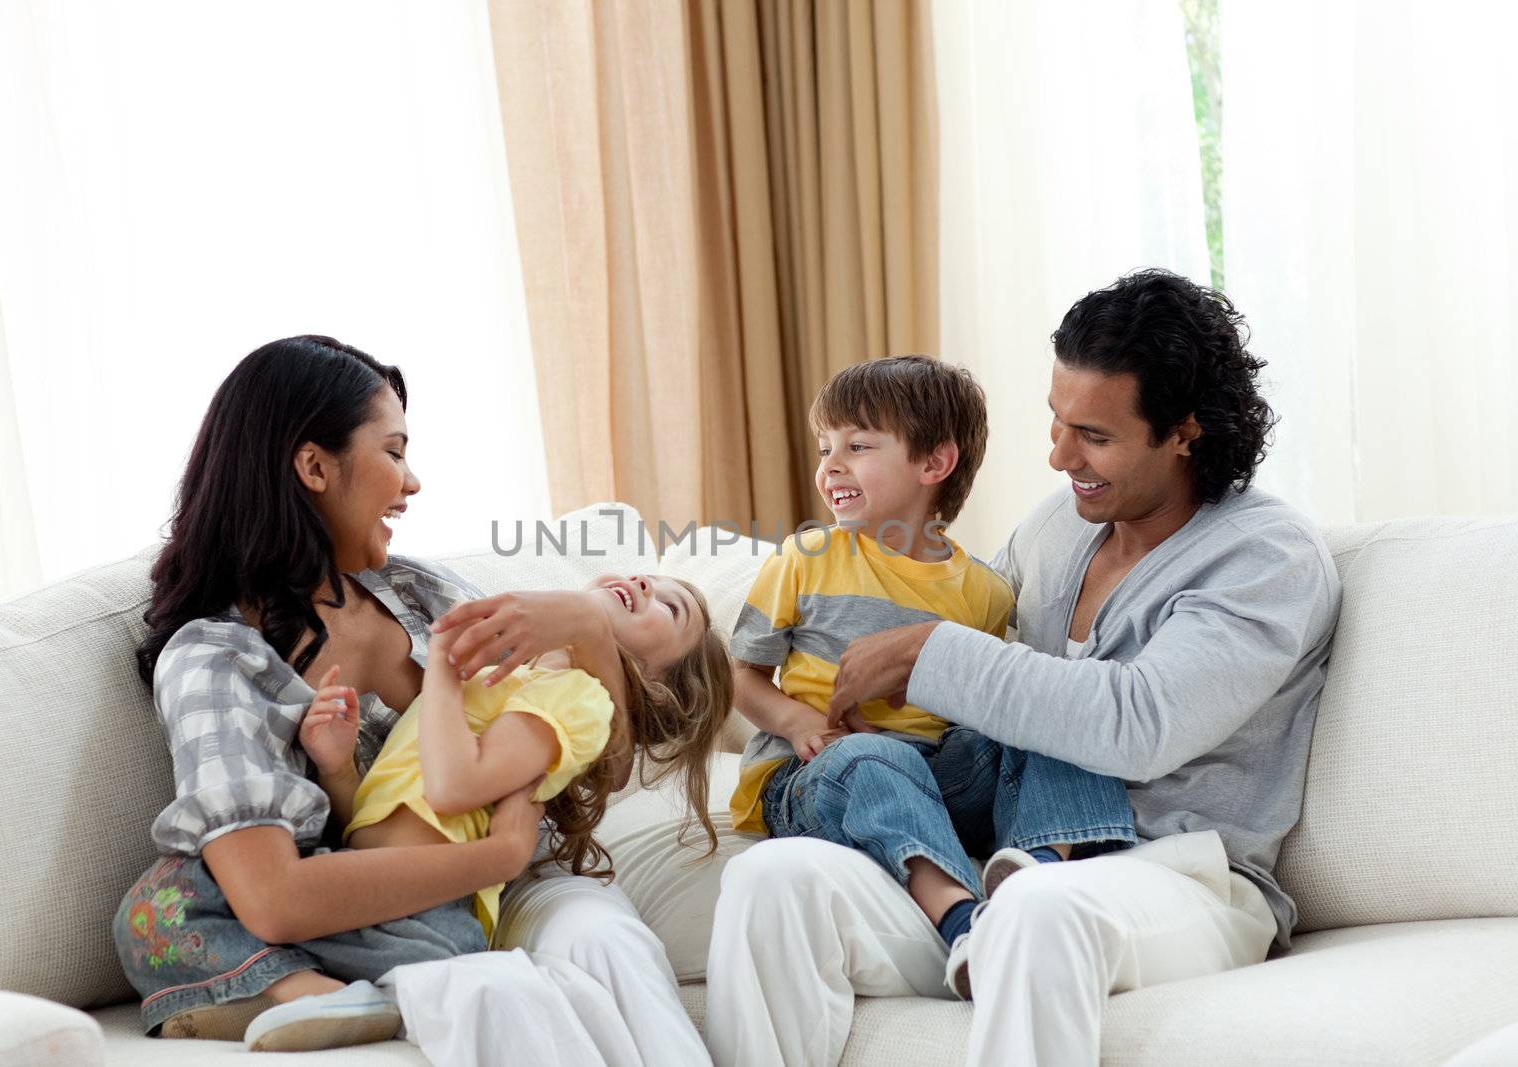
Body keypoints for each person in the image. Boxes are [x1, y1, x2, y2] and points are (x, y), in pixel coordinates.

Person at [704, 270, 1342, 1067]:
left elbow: (1138, 725)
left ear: (1185, 431)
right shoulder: (1058, 528)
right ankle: (978, 912)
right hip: (992, 868)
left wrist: (927, 652)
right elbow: (972, 674)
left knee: (1038, 909)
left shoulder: (1263, 555)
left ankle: (1019, 890)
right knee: (775, 881)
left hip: (1181, 874)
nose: (1058, 455)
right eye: (1056, 422)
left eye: (1095, 436)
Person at [114, 335, 716, 1064]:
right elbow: (273, 899)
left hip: (516, 885)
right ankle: (300, 992)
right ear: (313, 465)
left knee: (604, 939)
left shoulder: (422, 592)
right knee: (162, 906)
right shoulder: (216, 659)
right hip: (377, 912)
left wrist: (589, 630)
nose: (413, 482)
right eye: (394, 451)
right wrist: (496, 851)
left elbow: (593, 764)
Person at [726, 355, 1135, 965]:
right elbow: (738, 674)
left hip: (942, 777)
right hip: (821, 775)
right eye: (825, 447)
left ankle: (1039, 872)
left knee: (1054, 720)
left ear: (934, 463)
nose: (831, 465)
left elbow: (992, 701)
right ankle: (961, 921)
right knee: (875, 755)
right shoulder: (805, 559)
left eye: (857, 445)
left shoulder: (985, 592)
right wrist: (797, 723)